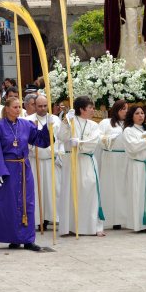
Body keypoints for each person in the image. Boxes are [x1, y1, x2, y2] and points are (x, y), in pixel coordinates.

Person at [0, 97, 51, 250]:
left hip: (23, 168)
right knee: (10, 204)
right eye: (15, 107)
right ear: (7, 108)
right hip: (7, 170)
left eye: (19, 107)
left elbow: (41, 141)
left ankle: (28, 239)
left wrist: (49, 127)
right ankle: (13, 238)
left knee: (27, 202)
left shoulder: (26, 125)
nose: (18, 110)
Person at [57, 96, 105, 237]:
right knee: (72, 192)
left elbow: (94, 140)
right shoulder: (70, 121)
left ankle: (91, 226)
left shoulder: (94, 125)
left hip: (87, 161)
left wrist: (79, 143)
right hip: (71, 161)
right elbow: (61, 136)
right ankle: (72, 225)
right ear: (81, 109)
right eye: (90, 107)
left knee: (89, 190)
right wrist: (66, 122)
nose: (93, 110)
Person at [25, 94, 62, 231]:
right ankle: (38, 219)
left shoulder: (55, 119)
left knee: (53, 190)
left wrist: (59, 153)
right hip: (36, 161)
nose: (42, 108)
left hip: (51, 161)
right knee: (37, 190)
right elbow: (27, 140)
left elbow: (60, 139)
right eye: (39, 106)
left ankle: (53, 217)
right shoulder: (28, 120)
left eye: (45, 105)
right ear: (34, 106)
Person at [98, 100, 129, 230]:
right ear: (116, 110)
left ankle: (125, 218)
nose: (126, 111)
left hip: (126, 158)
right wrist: (110, 139)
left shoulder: (130, 124)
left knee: (124, 188)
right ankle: (111, 218)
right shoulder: (106, 123)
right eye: (123, 109)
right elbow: (98, 137)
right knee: (111, 187)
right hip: (111, 157)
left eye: (127, 109)